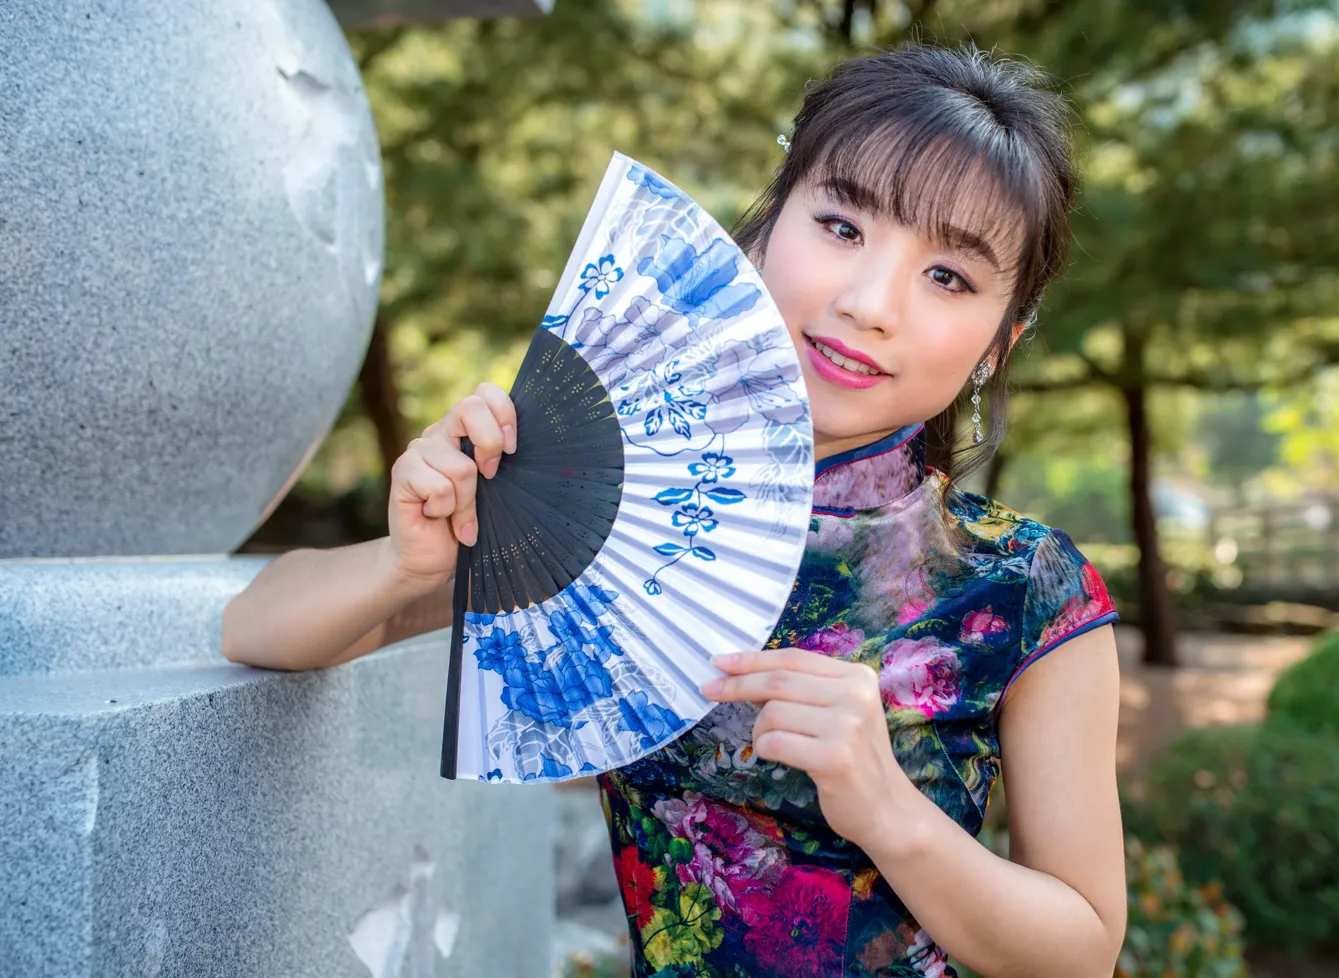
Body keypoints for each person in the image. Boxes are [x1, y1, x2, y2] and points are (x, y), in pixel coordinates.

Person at [224, 42, 1126, 978]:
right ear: (767, 228)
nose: (869, 304)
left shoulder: (1024, 587)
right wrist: (408, 565)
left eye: (949, 277)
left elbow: (1084, 950)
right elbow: (256, 627)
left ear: (998, 342)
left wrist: (887, 810)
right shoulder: (614, 505)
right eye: (842, 226)